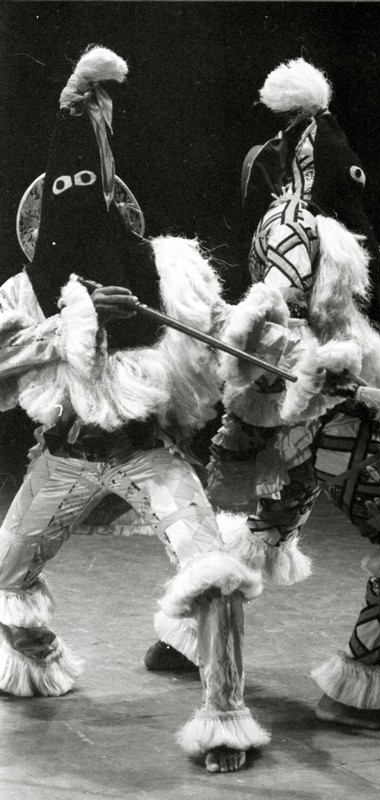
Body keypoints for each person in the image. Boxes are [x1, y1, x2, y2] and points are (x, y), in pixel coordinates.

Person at [0, 45, 270, 774]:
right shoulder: (23, 293)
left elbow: (230, 331)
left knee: (214, 574)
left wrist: (297, 357)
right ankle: (37, 660)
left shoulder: (168, 271)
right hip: (65, 458)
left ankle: (224, 718)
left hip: (147, 455)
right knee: (5, 575)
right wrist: (69, 323)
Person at [205, 57, 380, 732]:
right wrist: (317, 367)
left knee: (262, 536)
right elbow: (270, 321)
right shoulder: (292, 226)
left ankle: (181, 638)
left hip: (319, 421)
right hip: (321, 419)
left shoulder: (342, 227)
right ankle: (358, 687)